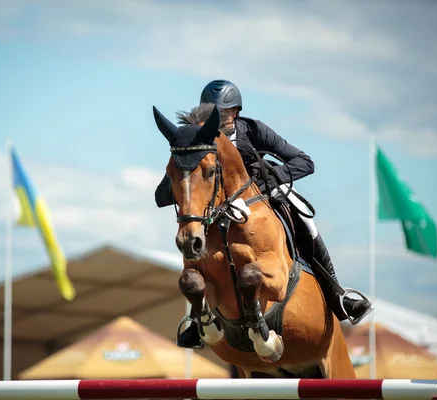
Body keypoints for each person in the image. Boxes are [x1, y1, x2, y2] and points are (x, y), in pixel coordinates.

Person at [155, 80, 373, 348]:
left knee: (305, 217)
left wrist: (267, 179)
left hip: (262, 195)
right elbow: (168, 192)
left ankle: (338, 294)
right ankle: (197, 317)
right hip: (215, 208)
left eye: (222, 114)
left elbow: (304, 162)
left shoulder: (254, 130)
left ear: (235, 112)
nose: (216, 119)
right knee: (197, 239)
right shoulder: (197, 141)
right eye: (212, 113)